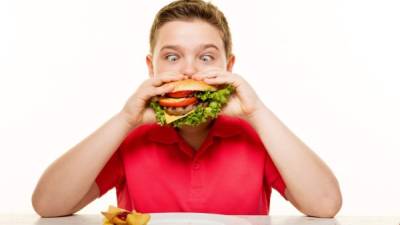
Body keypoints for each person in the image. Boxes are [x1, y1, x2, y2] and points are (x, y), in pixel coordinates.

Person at [32, 0, 342, 218]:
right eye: (171, 57)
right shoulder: (130, 137)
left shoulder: (256, 135)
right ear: (151, 67)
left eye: (206, 57)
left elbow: (326, 205)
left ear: (229, 66)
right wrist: (125, 120)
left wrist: (257, 113)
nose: (189, 71)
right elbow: (48, 205)